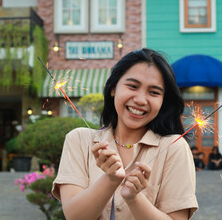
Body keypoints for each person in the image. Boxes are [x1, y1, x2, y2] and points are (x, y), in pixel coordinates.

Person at [52, 48, 198, 220]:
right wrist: (111, 180)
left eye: (154, 92)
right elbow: (75, 216)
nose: (140, 100)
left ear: (162, 101)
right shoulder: (79, 140)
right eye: (133, 86)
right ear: (113, 88)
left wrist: (134, 198)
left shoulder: (174, 148)